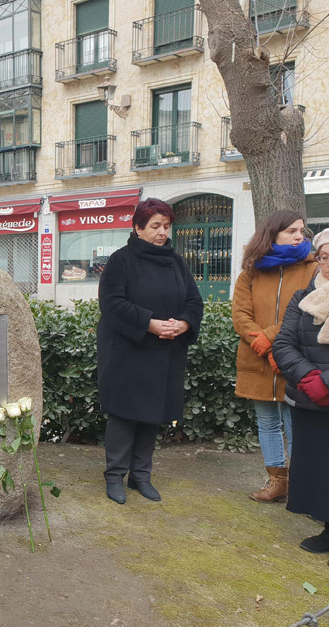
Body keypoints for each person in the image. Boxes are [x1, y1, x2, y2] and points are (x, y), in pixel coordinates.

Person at [96, 198, 203, 504]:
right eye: (155, 226)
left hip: (164, 353)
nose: (162, 232)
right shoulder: (121, 260)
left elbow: (194, 302)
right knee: (124, 415)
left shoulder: (176, 262)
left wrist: (182, 324)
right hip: (126, 352)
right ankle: (114, 475)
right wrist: (150, 324)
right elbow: (112, 304)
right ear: (137, 227)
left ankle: (141, 476)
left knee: (151, 415)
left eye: (166, 226)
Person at [272, 226, 329, 571]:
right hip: (310, 398)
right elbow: (283, 343)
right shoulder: (304, 297)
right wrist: (308, 379)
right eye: (324, 257)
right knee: (322, 469)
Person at [232, 210, 316, 503]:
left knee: (295, 423)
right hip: (258, 359)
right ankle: (277, 483)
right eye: (292, 231)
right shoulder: (251, 272)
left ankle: (301, 485)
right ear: (273, 234)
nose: (299, 237)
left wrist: (270, 338)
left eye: (301, 231)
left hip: (295, 359)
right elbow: (241, 315)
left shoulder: (312, 269)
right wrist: (262, 341)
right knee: (266, 422)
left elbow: (308, 310)